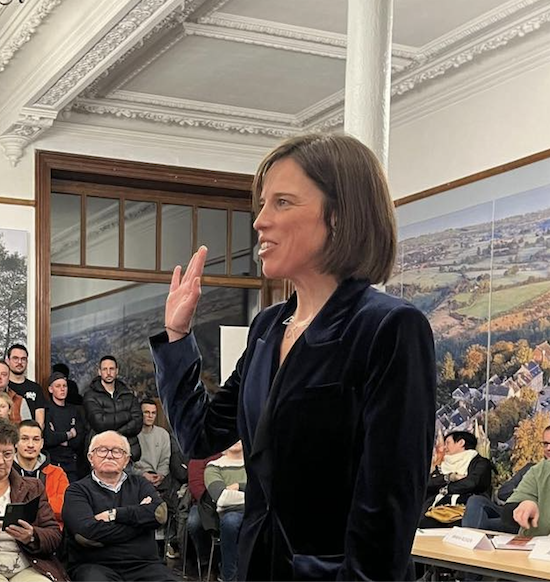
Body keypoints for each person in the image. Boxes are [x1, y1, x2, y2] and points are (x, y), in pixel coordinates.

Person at [151, 133, 436, 580]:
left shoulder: (389, 327)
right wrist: (177, 334)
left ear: (339, 215)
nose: (260, 221)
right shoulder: (267, 327)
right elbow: (199, 435)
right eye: (262, 204)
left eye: (282, 202)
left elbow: (388, 508)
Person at [0, 418, 67, 582]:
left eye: (7, 454)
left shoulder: (33, 488)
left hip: (29, 564)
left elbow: (53, 535)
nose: (1, 461)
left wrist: (31, 536)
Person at [62, 431, 177, 581]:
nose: (109, 455)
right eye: (102, 450)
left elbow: (159, 514)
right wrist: (140, 522)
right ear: (90, 458)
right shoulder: (77, 490)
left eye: (117, 451)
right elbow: (86, 534)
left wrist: (114, 514)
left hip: (145, 565)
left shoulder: (141, 484)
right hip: (95, 566)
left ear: (126, 460)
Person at [463, 425, 550, 532]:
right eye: (546, 444)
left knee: (481, 524)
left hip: (535, 525)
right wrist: (525, 500)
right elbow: (504, 494)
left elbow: (472, 483)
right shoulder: (534, 470)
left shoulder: (480, 463)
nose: (548, 448)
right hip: (519, 515)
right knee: (475, 502)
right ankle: (468, 538)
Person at [419, 430, 492, 528]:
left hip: (465, 512)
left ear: (461, 443)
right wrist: (449, 477)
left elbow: (472, 483)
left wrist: (445, 489)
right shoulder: (442, 467)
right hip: (436, 511)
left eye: (447, 443)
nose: (445, 447)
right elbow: (429, 484)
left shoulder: (481, 463)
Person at [83, 356, 143, 462]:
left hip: (126, 452)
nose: (108, 372)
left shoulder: (128, 394)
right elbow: (99, 423)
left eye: (111, 369)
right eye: (105, 369)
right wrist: (127, 415)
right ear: (99, 372)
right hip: (101, 453)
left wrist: (115, 433)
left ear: (117, 371)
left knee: (126, 478)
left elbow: (138, 422)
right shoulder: (90, 395)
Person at [13, 420, 70, 528]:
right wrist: (45, 505)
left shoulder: (57, 473)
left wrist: (27, 507)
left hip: (51, 533)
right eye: (24, 439)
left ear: (42, 443)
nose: (30, 445)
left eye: (36, 439)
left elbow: (64, 508)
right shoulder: (6, 472)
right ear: (15, 442)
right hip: (14, 531)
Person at [204, 441, 247, 582]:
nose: (235, 440)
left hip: (257, 513)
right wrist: (250, 492)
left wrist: (238, 486)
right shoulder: (213, 467)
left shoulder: (253, 463)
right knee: (231, 522)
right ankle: (229, 577)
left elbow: (266, 493)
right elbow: (222, 498)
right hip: (231, 514)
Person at [503, 430, 550, 536]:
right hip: (535, 546)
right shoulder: (538, 470)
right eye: (546, 444)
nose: (548, 448)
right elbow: (507, 512)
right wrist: (524, 505)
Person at [43, 372, 86, 482]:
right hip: (53, 463)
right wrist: (69, 434)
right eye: (58, 386)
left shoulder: (74, 410)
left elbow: (80, 439)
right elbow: (49, 438)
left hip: (72, 464)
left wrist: (60, 438)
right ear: (50, 389)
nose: (62, 389)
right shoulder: (46, 410)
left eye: (64, 386)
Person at [134, 399, 170, 488]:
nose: (150, 416)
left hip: (158, 478)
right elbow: (126, 464)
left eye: (153, 413)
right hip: (136, 478)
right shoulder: (131, 434)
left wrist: (161, 475)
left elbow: (165, 460)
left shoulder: (163, 434)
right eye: (146, 412)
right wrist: (142, 474)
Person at [6, 344, 45, 425]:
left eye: (23, 359)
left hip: (30, 435)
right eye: (15, 358)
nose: (20, 362)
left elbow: (40, 420)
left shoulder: (35, 388)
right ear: (8, 361)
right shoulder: (3, 387)